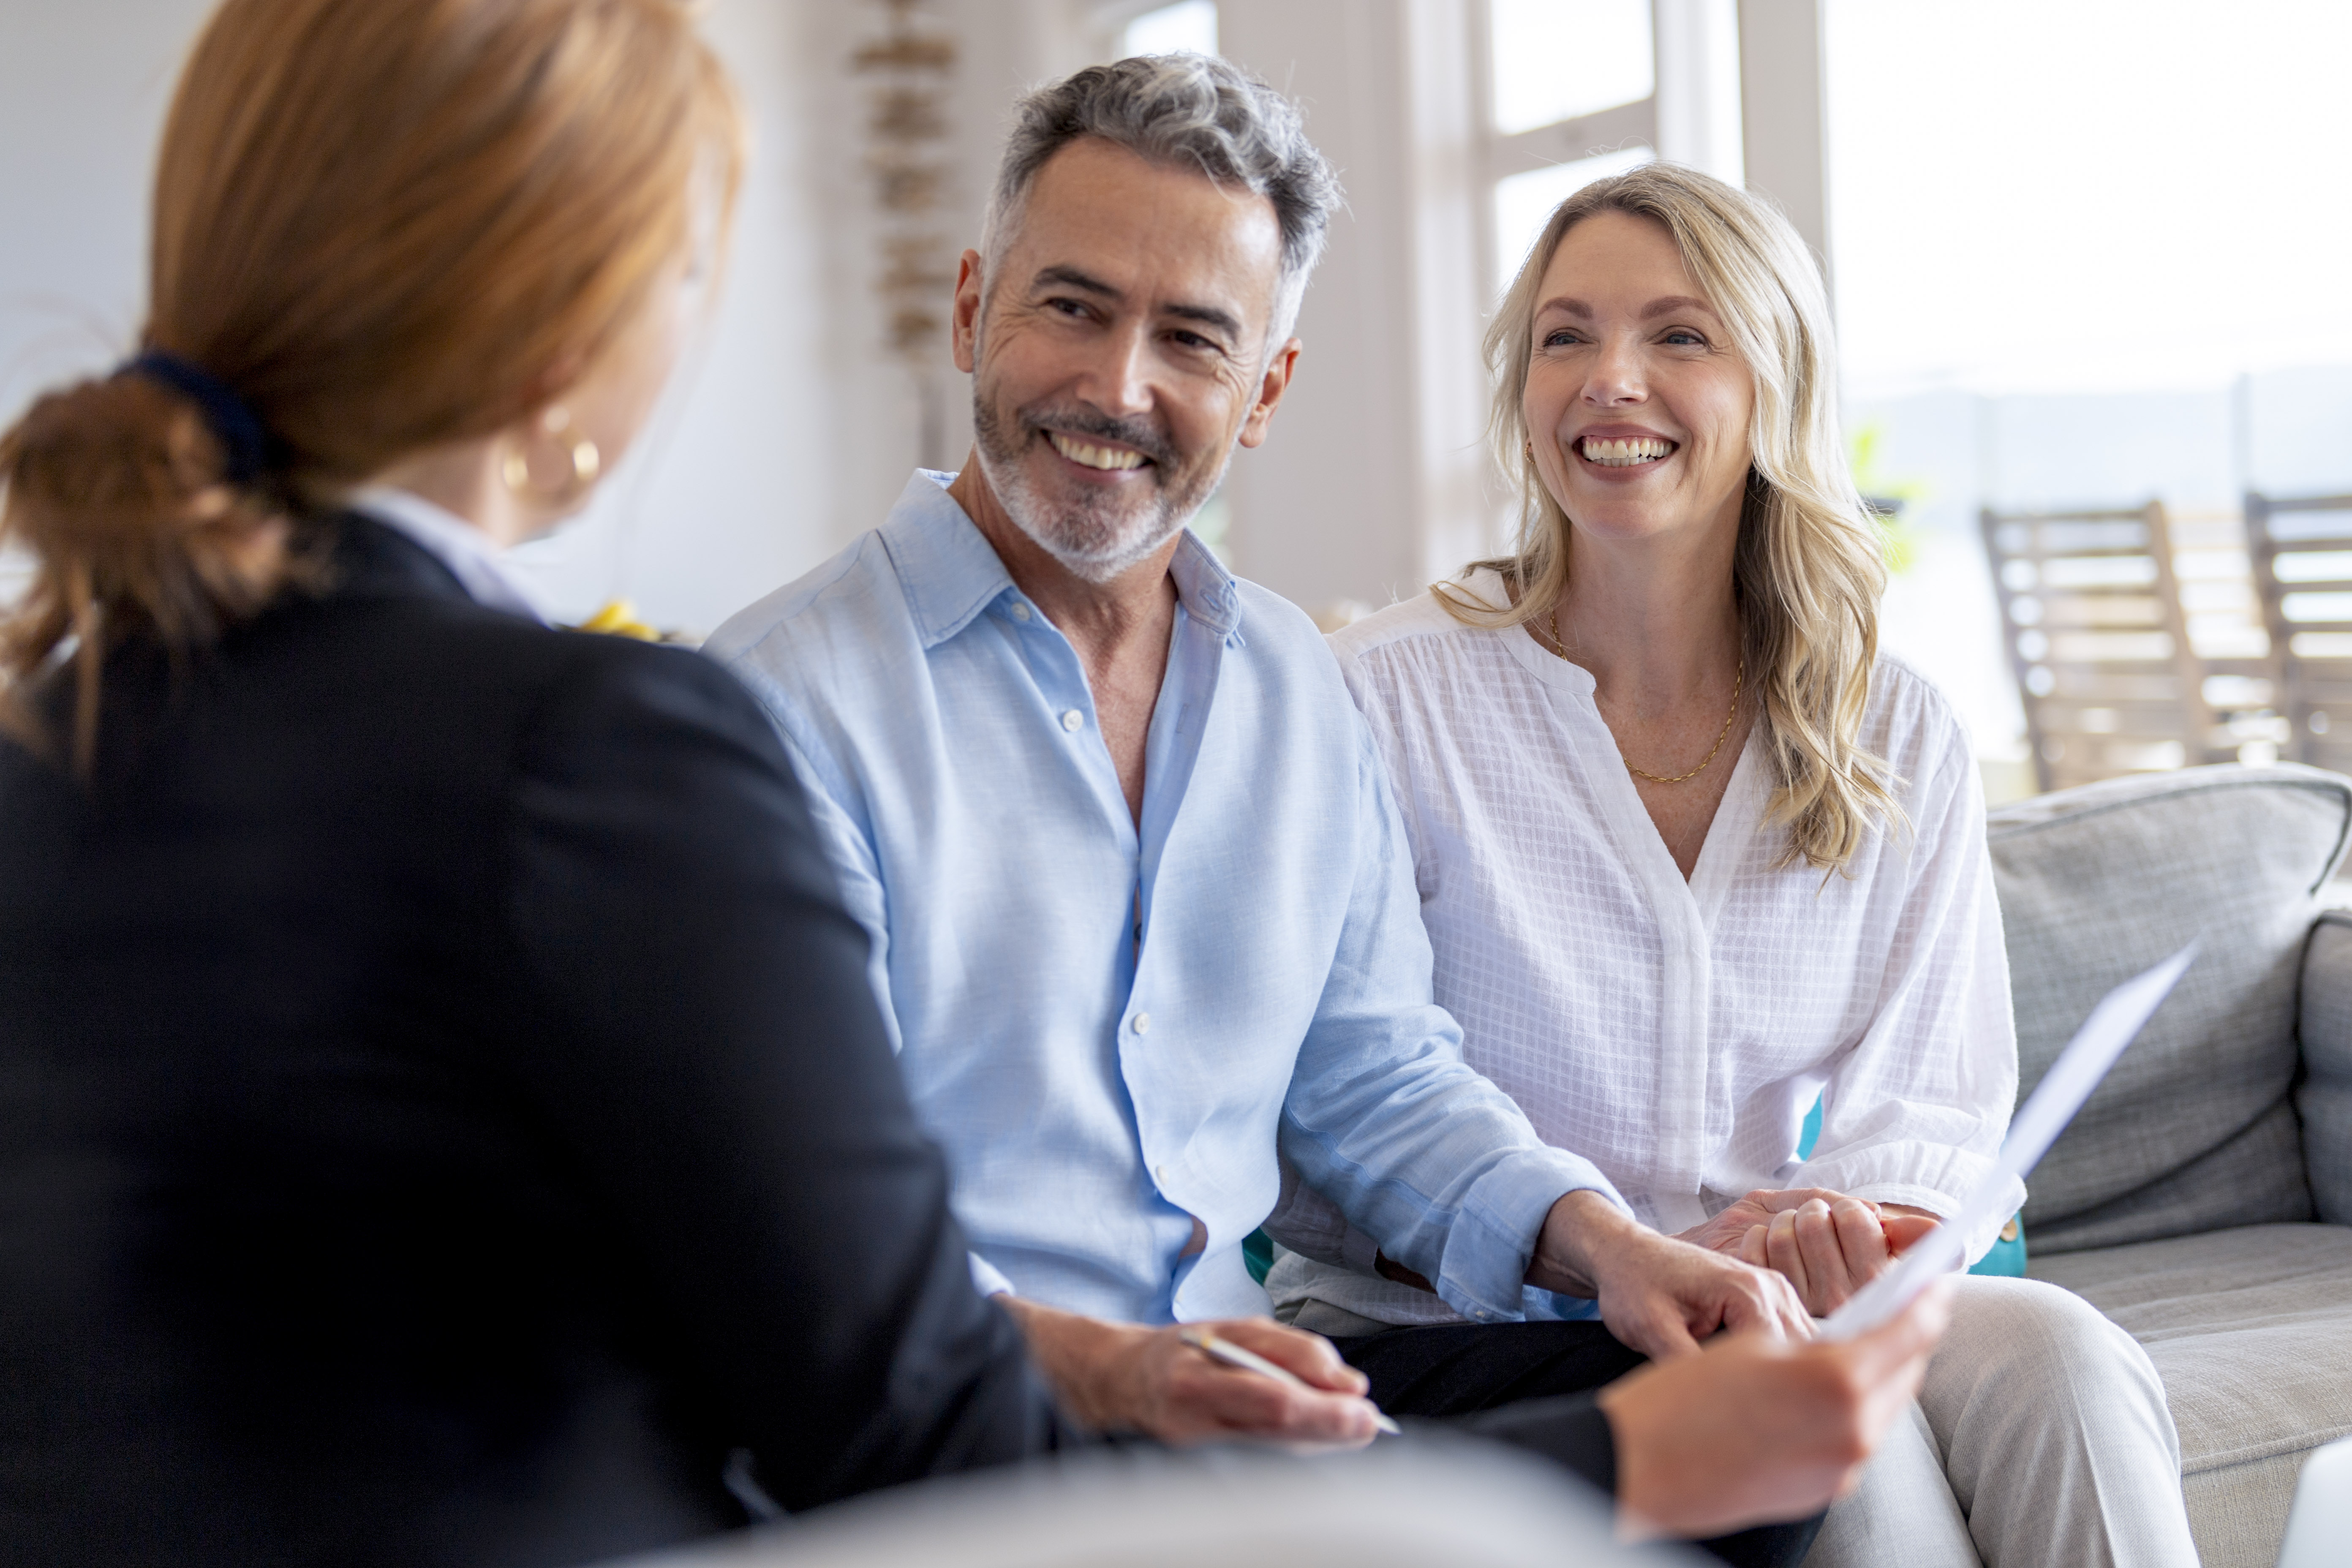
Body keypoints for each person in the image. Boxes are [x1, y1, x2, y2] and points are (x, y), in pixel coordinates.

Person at [707, 54, 1946, 1564]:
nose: (1119, 388)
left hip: (1247, 1406)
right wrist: (1120, 1375)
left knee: (1736, 1432)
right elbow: (788, 1249)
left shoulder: (1292, 686)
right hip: (962, 1435)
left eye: (1193, 339)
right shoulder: (769, 712)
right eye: (1074, 307)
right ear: (974, 309)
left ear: (1267, 390)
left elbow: (1382, 1087)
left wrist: (1617, 1252)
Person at [0, 2, 1077, 1563]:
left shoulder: (44, 740)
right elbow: (928, 1448)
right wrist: (1542, 1456)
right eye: (686, 264)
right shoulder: (596, 749)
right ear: (570, 322)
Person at [1264, 164, 2201, 1568]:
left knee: (2071, 1358)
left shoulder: (1891, 725)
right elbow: (1317, 1113)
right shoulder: (1382, 699)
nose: (1610, 380)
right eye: (1566, 335)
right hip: (1470, 1329)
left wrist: (1844, 1222)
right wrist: (1608, 1250)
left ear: (1777, 383)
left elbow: (1940, 1101)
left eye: (1679, 335)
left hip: (1773, 1296)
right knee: (1839, 1441)